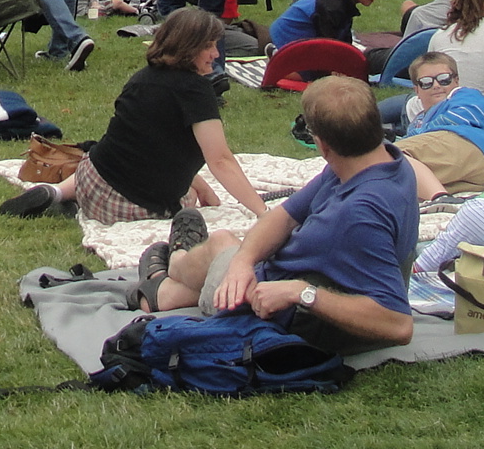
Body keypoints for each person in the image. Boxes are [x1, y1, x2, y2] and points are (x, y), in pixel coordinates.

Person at [175, 76, 417, 353]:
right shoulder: (386, 162)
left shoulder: (357, 216)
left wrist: (302, 293)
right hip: (283, 290)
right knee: (236, 252)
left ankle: (170, 262)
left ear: (322, 146)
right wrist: (244, 260)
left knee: (220, 242)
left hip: (266, 310)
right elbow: (286, 215)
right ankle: (159, 288)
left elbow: (399, 325)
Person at [0, 7, 270, 222]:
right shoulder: (196, 91)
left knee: (116, 155)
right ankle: (62, 199)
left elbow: (157, 147)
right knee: (186, 198)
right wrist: (262, 212)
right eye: (209, 46)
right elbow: (220, 160)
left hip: (91, 179)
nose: (215, 53)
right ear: (188, 48)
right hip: (132, 206)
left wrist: (201, 185)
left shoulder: (142, 78)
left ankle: (57, 193)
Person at [384, 51, 484, 196]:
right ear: (417, 90)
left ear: (456, 81)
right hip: (463, 179)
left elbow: (464, 116)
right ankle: (436, 196)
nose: (436, 85)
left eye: (444, 79)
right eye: (427, 82)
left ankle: (437, 196)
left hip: (468, 146)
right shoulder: (419, 120)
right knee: (397, 177)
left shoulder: (466, 96)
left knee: (387, 154)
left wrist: (421, 132)